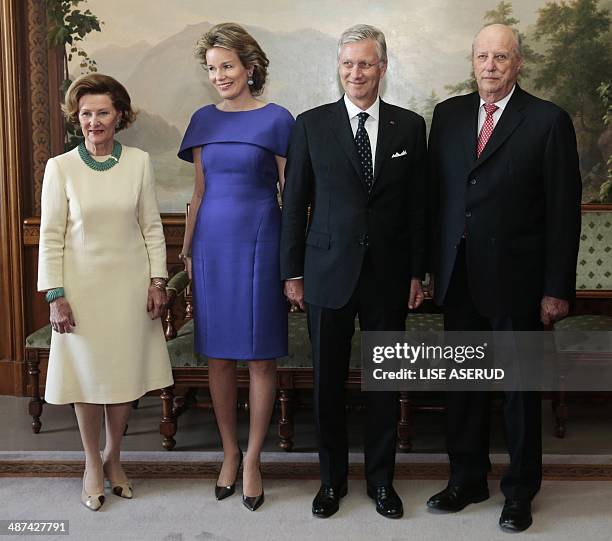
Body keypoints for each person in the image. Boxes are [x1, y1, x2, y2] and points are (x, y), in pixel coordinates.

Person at [426, 24, 581, 532]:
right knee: (463, 386)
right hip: (459, 276)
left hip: (518, 280)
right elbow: (437, 200)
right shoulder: (447, 116)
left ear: (518, 64)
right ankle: (467, 478)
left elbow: (563, 213)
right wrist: (426, 268)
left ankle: (519, 491)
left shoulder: (547, 121)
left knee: (518, 391)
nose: (490, 66)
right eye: (483, 57)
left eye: (501, 57)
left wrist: (556, 288)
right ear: (472, 62)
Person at [280, 24, 427, 519]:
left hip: (388, 275)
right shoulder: (311, 125)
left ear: (382, 68)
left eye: (365, 64)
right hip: (326, 272)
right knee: (327, 386)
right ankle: (331, 482)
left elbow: (416, 209)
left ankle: (382, 483)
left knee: (384, 383)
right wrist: (292, 271)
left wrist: (416, 272)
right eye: (347, 64)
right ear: (338, 68)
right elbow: (294, 202)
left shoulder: (410, 127)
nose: (356, 73)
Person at [38, 73, 174, 511]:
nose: (93, 121)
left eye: (102, 112)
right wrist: (55, 295)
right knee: (88, 380)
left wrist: (158, 283)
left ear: (119, 115)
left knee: (123, 378)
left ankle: (115, 457)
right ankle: (91, 463)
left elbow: (152, 228)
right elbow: (50, 235)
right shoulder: (60, 167)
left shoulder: (138, 162)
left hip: (130, 290)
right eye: (85, 114)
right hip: (81, 292)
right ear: (76, 119)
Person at [177, 22, 294, 512]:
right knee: (218, 357)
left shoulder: (278, 119)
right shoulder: (203, 119)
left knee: (261, 358)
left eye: (227, 66)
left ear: (250, 66)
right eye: (211, 69)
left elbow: (292, 196)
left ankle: (253, 461)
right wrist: (185, 251)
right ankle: (228, 451)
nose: (219, 76)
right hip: (210, 250)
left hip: (262, 245)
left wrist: (293, 264)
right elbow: (199, 193)